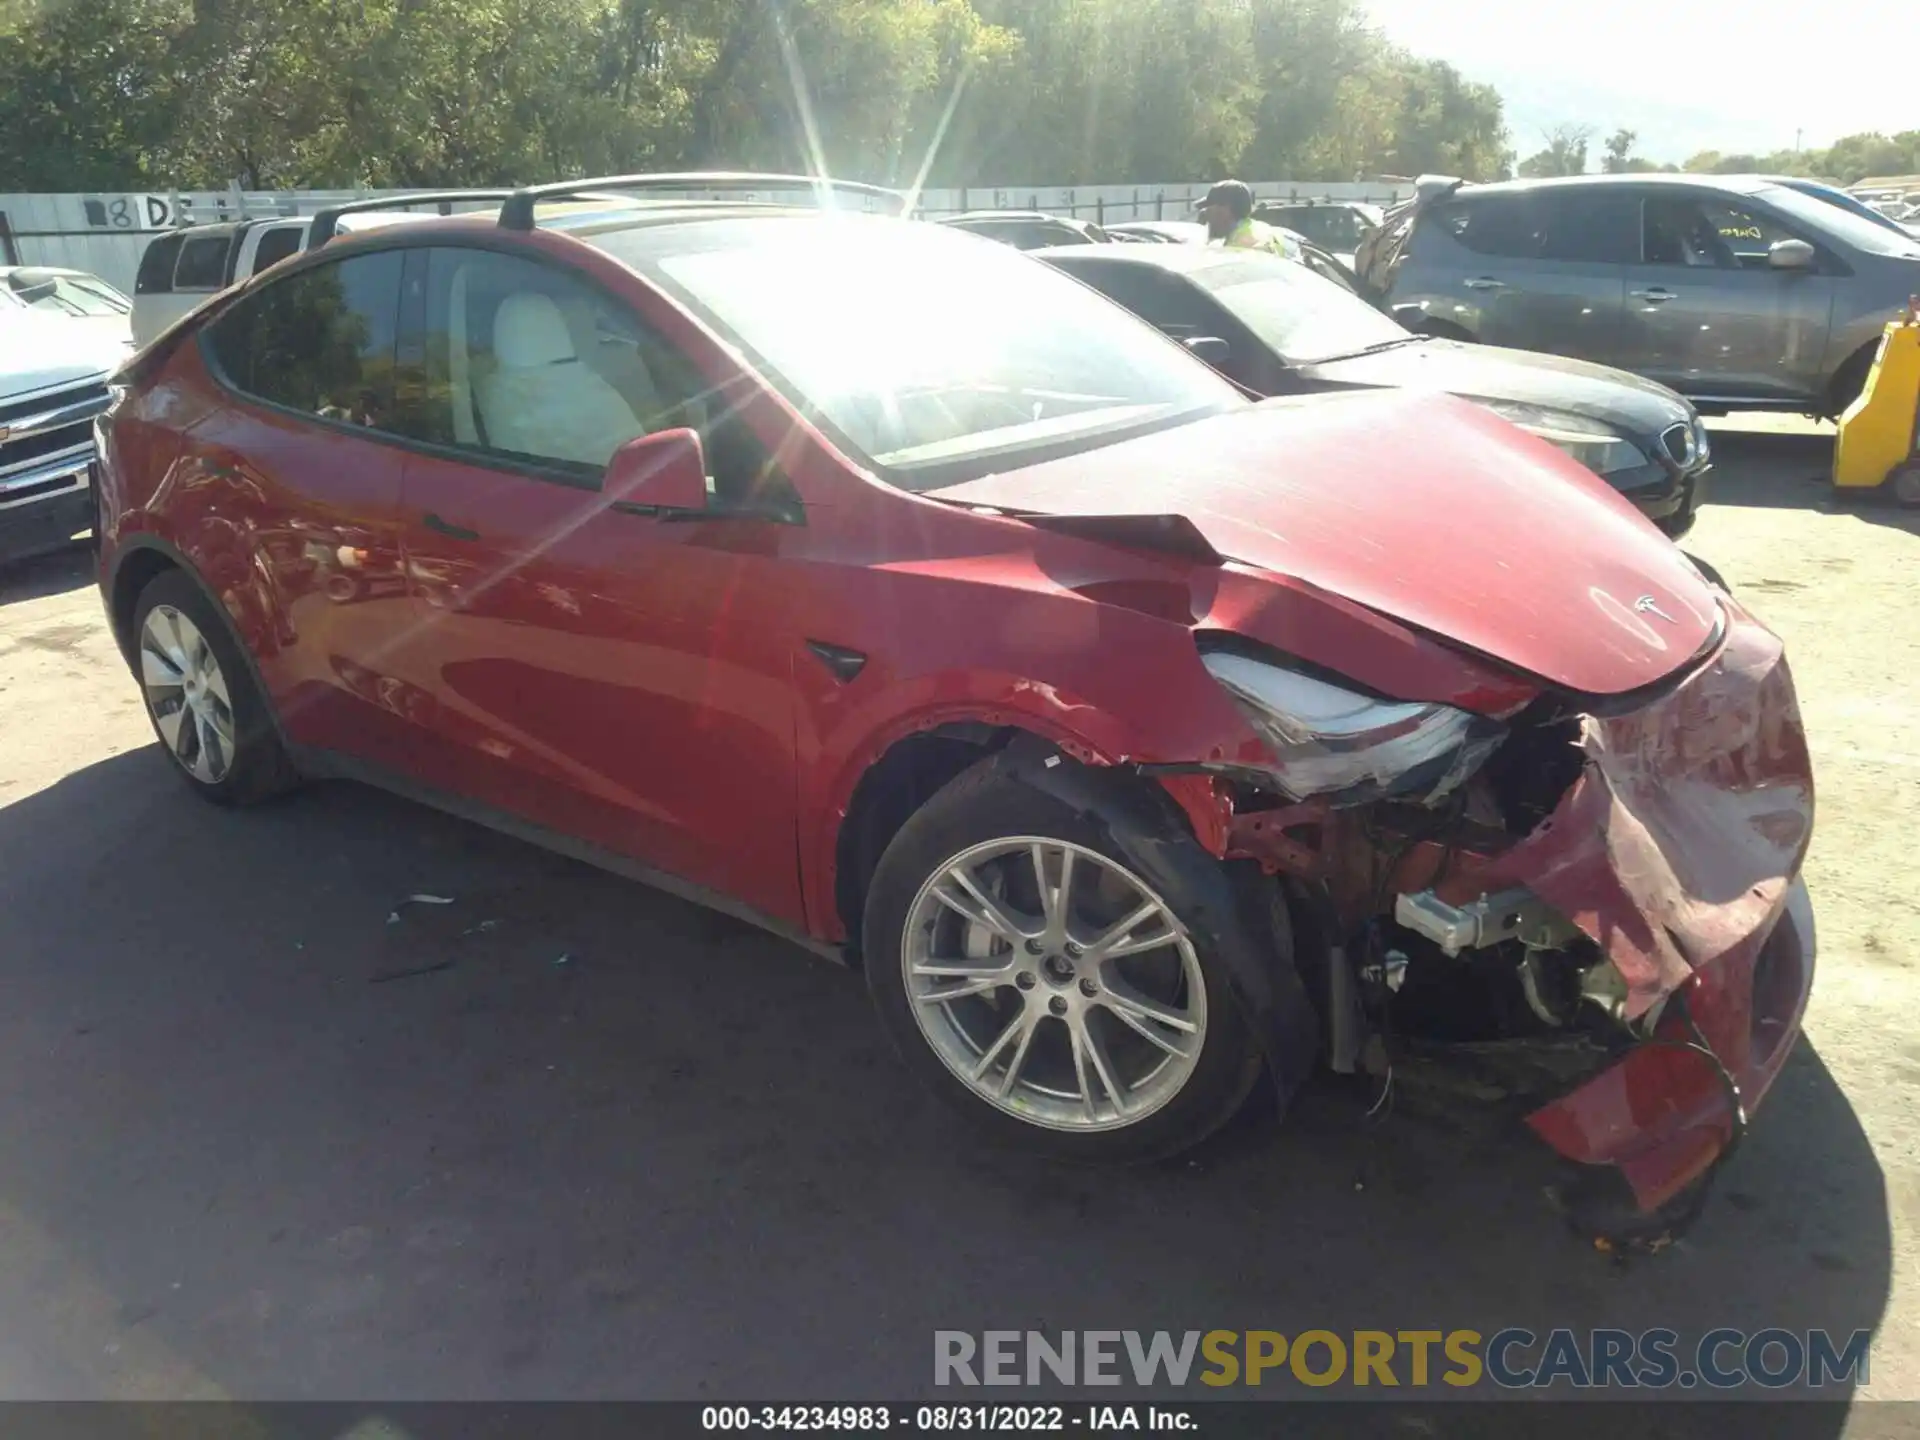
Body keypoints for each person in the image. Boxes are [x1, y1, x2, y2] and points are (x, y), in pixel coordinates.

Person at [1194, 179, 1302, 261]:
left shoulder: (1240, 247)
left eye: (1208, 208)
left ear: (1225, 209)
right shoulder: (1263, 229)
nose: (1206, 215)